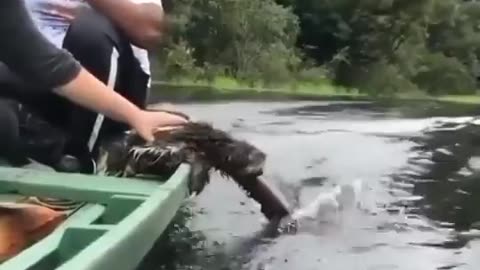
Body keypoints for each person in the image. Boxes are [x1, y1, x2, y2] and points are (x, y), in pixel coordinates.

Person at [0, 0, 188, 171]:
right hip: (32, 73)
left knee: (90, 30)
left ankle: (86, 158)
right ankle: (45, 144)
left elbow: (150, 30)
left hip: (101, 78)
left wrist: (135, 115)